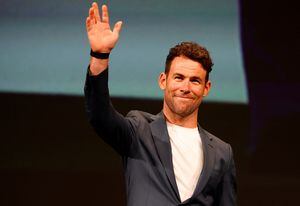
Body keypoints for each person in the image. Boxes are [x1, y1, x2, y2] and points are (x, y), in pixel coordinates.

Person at [84, 2, 237, 206]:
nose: (186, 87)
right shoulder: (139, 130)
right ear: (163, 81)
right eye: (179, 77)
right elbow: (99, 115)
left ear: (206, 88)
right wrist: (100, 56)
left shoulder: (222, 152)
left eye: (195, 80)